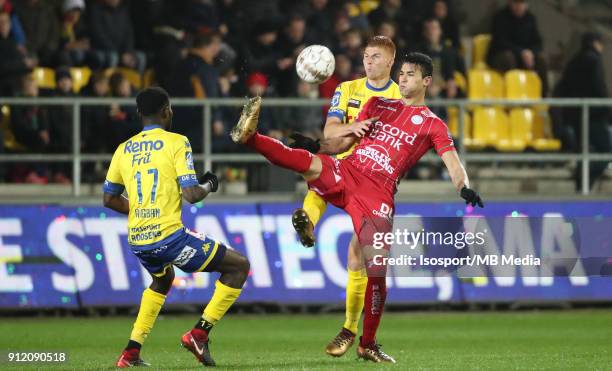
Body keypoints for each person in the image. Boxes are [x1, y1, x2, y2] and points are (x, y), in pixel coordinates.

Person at [231, 52, 483, 363]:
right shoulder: (379, 106)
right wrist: (316, 146)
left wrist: (465, 187)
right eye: (401, 73)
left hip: (377, 194)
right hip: (349, 170)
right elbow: (342, 143)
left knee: (375, 270)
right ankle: (251, 138)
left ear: (426, 81)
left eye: (410, 74)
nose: (402, 78)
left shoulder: (433, 125)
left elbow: (453, 162)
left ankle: (368, 343)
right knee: (307, 163)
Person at [104, 87, 250, 368]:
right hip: (169, 237)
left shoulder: (123, 149)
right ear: (167, 111)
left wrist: (139, 208)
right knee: (239, 266)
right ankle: (199, 334)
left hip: (138, 239)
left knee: (162, 279)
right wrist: (210, 184)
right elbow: (192, 194)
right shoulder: (176, 142)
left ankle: (130, 352)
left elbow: (109, 199)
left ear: (139, 114)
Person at [291, 35, 401, 358]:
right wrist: (356, 128)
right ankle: (306, 223)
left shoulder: (400, 97)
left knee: (358, 256)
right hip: (341, 167)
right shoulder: (347, 90)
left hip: (372, 183)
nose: (368, 61)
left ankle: (350, 329)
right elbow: (330, 132)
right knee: (318, 179)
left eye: (376, 57)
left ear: (390, 61)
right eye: (366, 56)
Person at [554, 32, 611, 191]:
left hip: (575, 116)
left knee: (584, 152)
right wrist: (607, 109)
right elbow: (599, 88)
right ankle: (585, 178)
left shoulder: (573, 61)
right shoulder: (594, 60)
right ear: (595, 43)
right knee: (606, 153)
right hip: (595, 116)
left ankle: (582, 183)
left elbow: (562, 87)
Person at [486, 0, 548, 94]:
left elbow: (538, 42)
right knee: (508, 58)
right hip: (501, 55)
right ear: (509, 3)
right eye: (516, 3)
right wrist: (521, 52)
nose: (519, 6)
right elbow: (500, 42)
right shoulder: (500, 17)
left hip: (525, 57)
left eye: (521, 3)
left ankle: (543, 96)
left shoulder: (530, 18)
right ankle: (512, 93)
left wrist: (531, 53)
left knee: (542, 59)